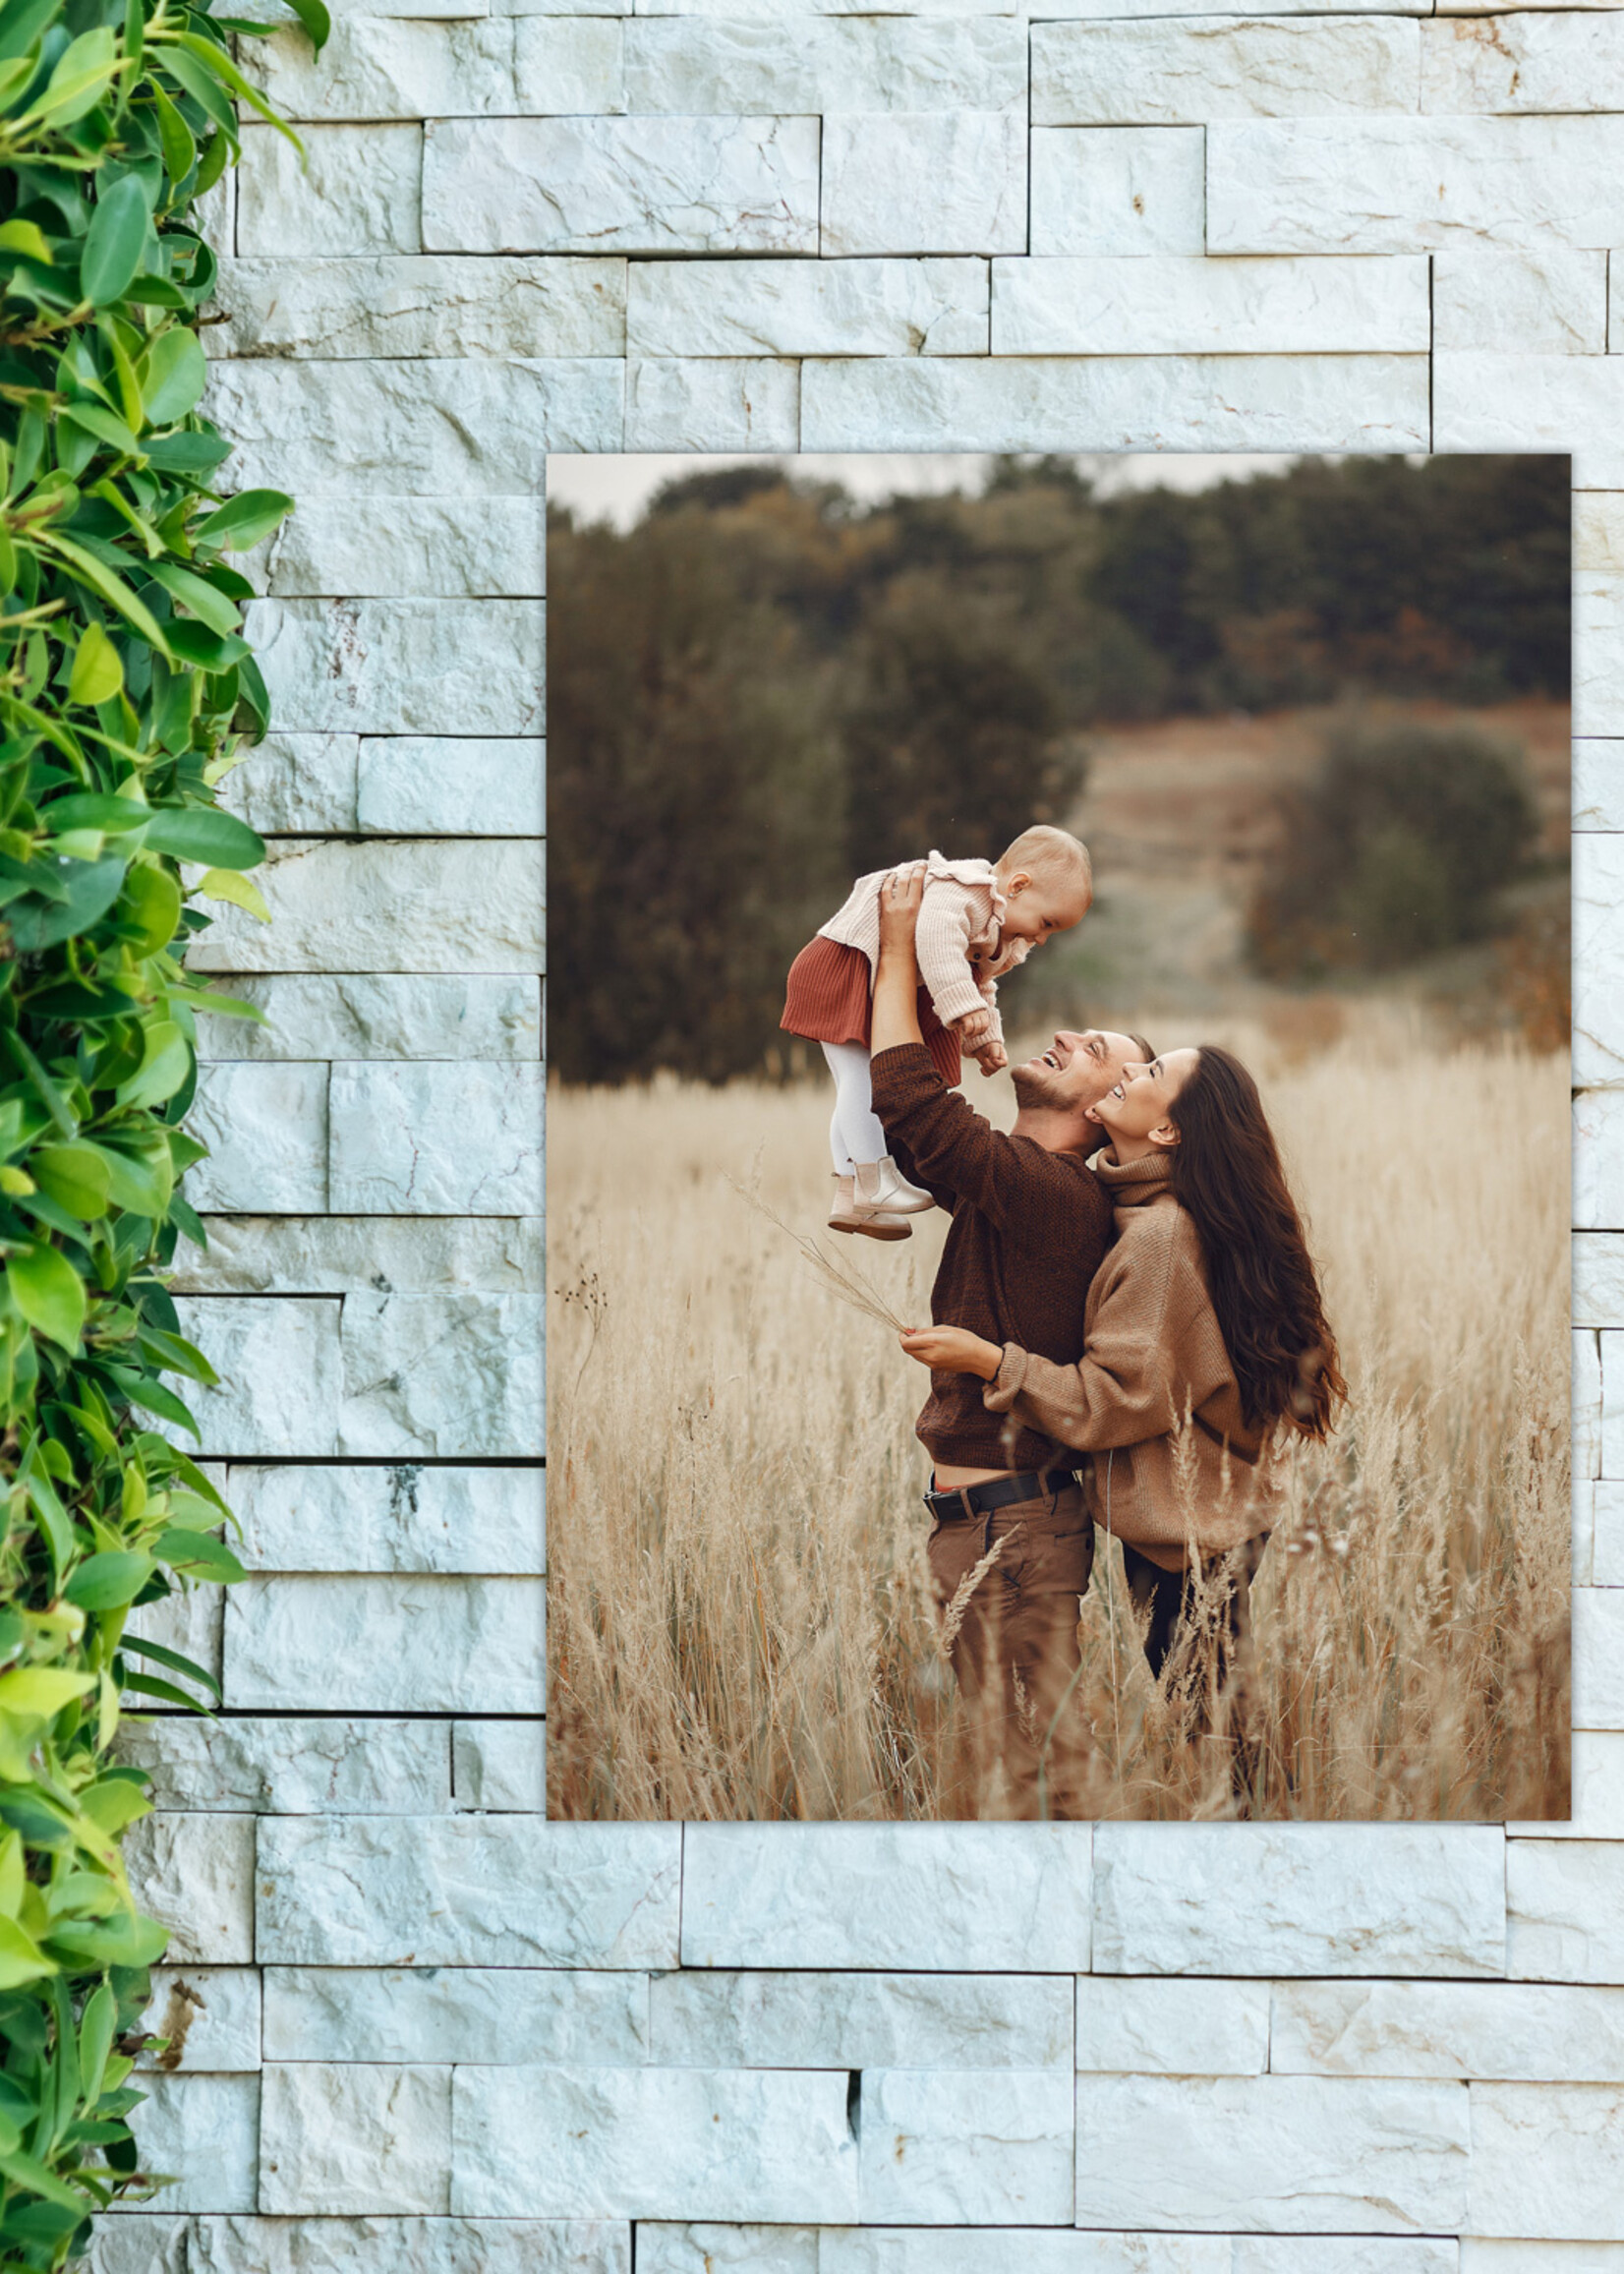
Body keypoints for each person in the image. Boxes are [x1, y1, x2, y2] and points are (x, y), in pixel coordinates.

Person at [899, 1042, 1346, 1804]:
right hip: (1197, 1529)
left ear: (1168, 1132)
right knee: (1222, 1729)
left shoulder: (1161, 1237)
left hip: (1191, 1544)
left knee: (1224, 1745)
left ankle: (1276, 1862)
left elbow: (1114, 1400)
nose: (1126, 1077)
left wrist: (989, 1361)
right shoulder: (1139, 1212)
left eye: (1148, 1075)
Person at [867, 862, 1150, 1819]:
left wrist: (899, 955)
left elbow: (916, 1110)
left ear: (1107, 1106)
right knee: (994, 1772)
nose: (1065, 1034)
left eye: (1095, 1050)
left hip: (1018, 1530)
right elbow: (918, 1141)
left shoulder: (1054, 1196)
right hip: (975, 1523)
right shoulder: (1018, 1182)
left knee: (1051, 1778)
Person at [781, 827, 1093, 1240]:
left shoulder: (1001, 927)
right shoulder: (961, 891)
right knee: (862, 1080)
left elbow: (981, 983)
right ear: (1017, 886)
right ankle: (875, 1178)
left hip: (878, 976)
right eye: (1046, 923)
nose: (1041, 938)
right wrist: (962, 1007)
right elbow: (936, 943)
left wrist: (984, 1037)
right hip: (850, 964)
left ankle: (850, 1192)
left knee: (853, 1081)